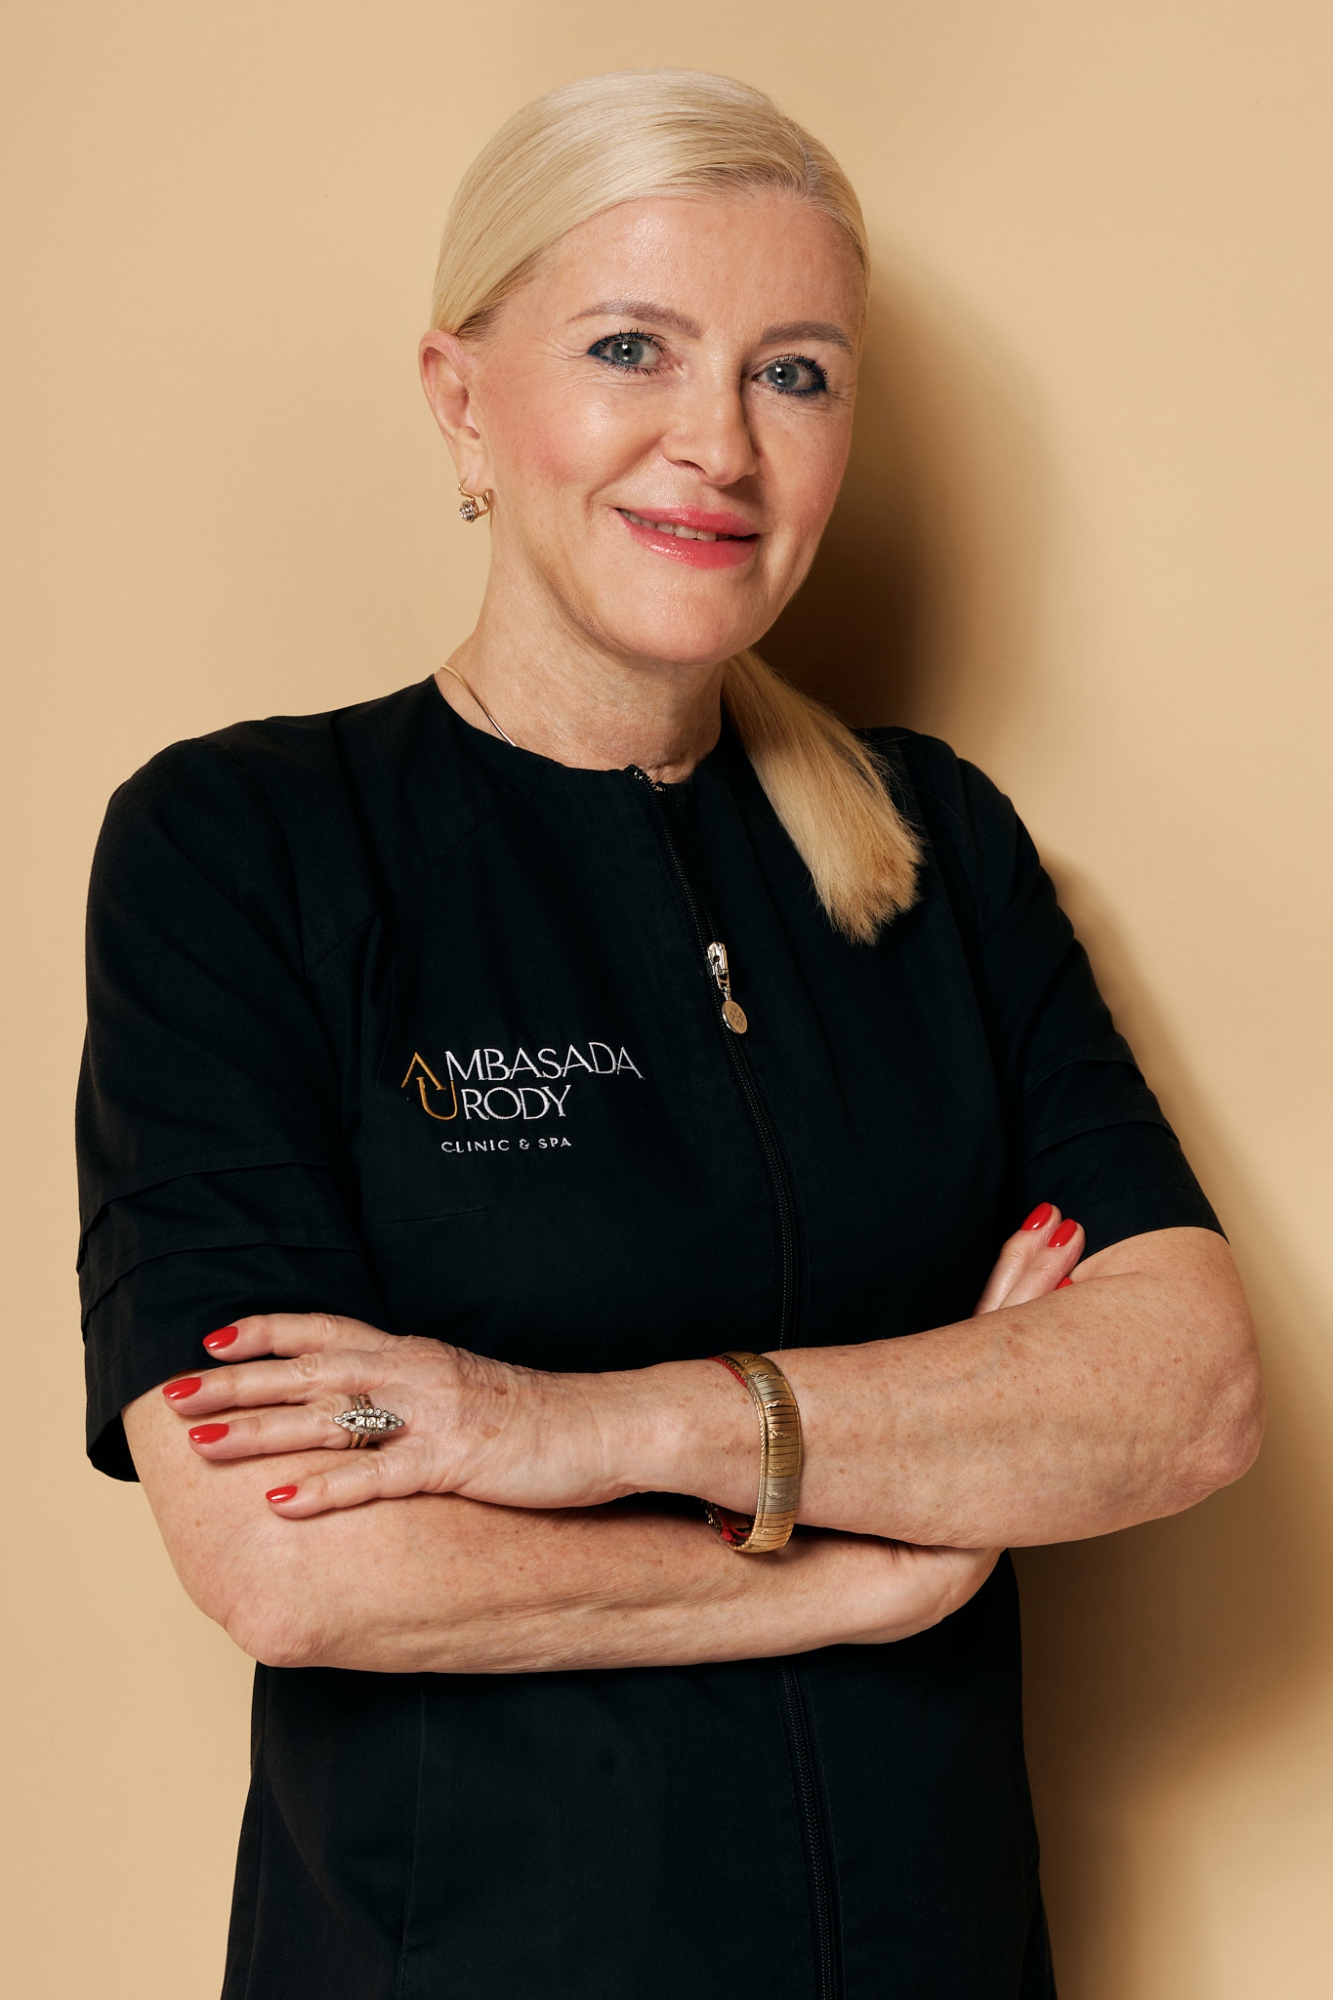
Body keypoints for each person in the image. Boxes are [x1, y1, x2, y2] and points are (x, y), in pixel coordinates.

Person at [78, 68, 1262, 2000]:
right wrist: (863, 1557)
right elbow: (293, 1559)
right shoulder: (242, 848)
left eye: (793, 373)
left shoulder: (939, 845)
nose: (716, 442)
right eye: (630, 347)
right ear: (462, 397)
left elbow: (1183, 1392)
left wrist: (556, 1431)